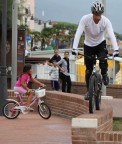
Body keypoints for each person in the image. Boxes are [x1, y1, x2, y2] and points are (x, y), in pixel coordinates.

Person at [72, 1, 119, 100]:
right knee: (88, 71)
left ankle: (104, 74)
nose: (98, 17)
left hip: (100, 44)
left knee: (103, 60)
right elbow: (78, 33)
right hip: (88, 45)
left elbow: (111, 34)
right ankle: (89, 91)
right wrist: (74, 48)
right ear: (92, 13)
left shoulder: (106, 21)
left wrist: (116, 49)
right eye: (96, 14)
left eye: (99, 15)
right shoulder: (85, 19)